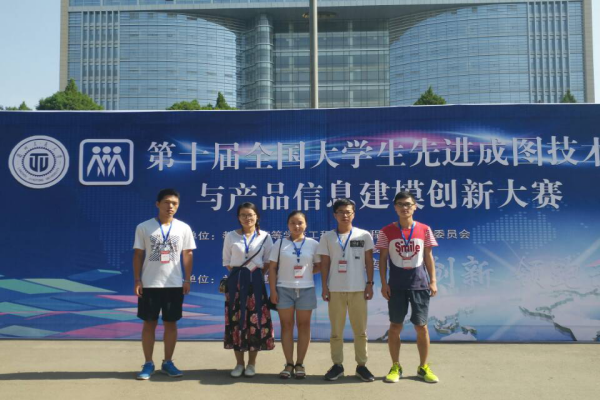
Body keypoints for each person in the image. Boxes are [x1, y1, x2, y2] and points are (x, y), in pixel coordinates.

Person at [376, 191, 439, 383]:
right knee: (395, 326)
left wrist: (433, 280)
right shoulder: (386, 231)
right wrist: (384, 283)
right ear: (395, 207)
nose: (405, 208)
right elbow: (383, 259)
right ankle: (396, 366)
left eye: (408, 204)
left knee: (422, 326)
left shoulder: (424, 229)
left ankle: (423, 367)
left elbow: (428, 256)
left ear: (415, 207)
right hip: (396, 286)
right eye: (401, 204)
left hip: (419, 285)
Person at [133, 188, 196, 380]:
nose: (170, 206)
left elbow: (188, 254)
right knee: (149, 324)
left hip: (174, 284)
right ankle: (148, 363)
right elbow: (138, 254)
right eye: (167, 202)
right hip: (150, 284)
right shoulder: (144, 227)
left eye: (174, 203)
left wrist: (187, 279)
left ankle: (168, 362)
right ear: (157, 204)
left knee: (171, 324)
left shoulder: (183, 228)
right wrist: (137, 279)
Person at [318, 198, 375, 382]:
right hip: (335, 289)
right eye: (341, 212)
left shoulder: (363, 235)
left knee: (361, 331)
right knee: (336, 331)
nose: (345, 215)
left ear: (354, 214)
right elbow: (325, 263)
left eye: (348, 212)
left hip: (358, 289)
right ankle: (337, 365)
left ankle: (362, 366)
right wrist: (324, 286)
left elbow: (369, 261)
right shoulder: (327, 237)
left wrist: (370, 284)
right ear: (335, 215)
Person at [222, 202, 275, 378]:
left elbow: (268, 262)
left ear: (257, 216)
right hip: (236, 284)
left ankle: (252, 364)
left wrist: (255, 275)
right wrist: (241, 275)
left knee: (255, 321)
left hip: (256, 284)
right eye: (243, 215)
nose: (247, 218)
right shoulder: (231, 236)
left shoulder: (265, 237)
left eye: (250, 215)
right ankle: (239, 364)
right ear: (238, 218)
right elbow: (227, 262)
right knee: (236, 321)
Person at [268, 211, 321, 379]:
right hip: (283, 289)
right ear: (287, 225)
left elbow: (319, 265)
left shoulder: (313, 244)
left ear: (306, 225)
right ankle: (289, 363)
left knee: (304, 326)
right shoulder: (279, 244)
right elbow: (272, 268)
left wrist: (306, 273)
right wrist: (273, 291)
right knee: (287, 326)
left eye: (300, 223)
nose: (296, 226)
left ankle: (300, 363)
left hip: (306, 289)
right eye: (293, 223)